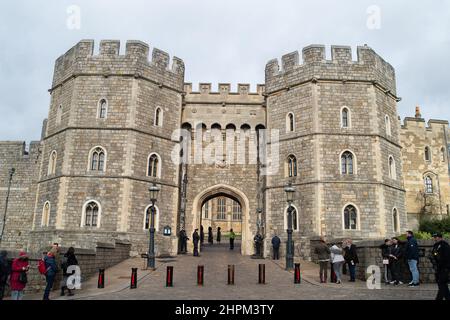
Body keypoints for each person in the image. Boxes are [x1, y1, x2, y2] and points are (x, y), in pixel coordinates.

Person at [430, 233, 450, 300]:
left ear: (440, 237)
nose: (434, 238)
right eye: (434, 237)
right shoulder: (435, 245)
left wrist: (446, 267)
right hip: (438, 268)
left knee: (442, 284)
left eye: (436, 237)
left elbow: (447, 257)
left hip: (444, 268)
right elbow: (434, 254)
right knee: (442, 285)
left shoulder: (445, 245)